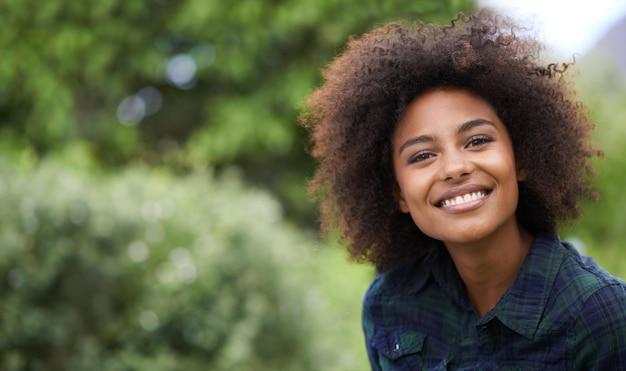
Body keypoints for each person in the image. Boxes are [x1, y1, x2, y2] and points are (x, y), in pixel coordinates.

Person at [301, 10, 626, 370]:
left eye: (477, 140)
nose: (456, 168)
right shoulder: (390, 303)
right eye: (423, 155)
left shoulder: (601, 315)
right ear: (398, 193)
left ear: (521, 158)